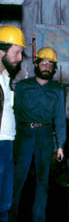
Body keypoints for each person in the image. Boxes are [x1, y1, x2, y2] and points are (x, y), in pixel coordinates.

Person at [11, 47, 66, 222]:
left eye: (50, 64)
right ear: (36, 64)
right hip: (24, 134)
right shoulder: (22, 87)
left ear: (54, 68)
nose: (46, 67)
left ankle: (39, 217)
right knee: (18, 179)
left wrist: (60, 146)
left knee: (43, 181)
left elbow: (60, 118)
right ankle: (10, 216)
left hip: (45, 136)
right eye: (43, 62)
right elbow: (13, 113)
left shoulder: (57, 90)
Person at [0, 25, 25, 222]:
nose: (19, 58)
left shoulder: (5, 77)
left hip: (6, 144)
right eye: (16, 52)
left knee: (4, 202)